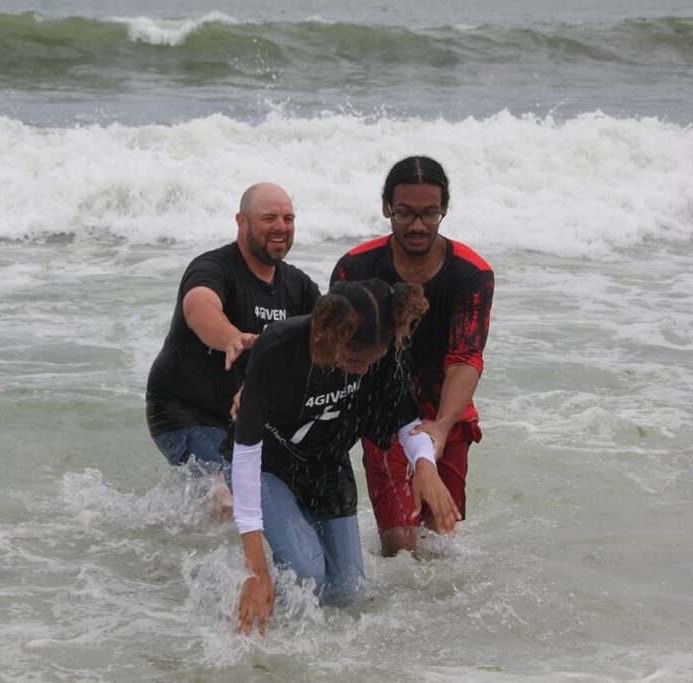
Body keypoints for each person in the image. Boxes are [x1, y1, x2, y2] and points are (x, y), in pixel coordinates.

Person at [230, 280, 461, 636]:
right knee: (308, 572)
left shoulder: (378, 351)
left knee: (348, 592)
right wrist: (255, 571)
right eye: (355, 360)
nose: (364, 370)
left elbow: (406, 420)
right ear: (328, 335)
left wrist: (425, 466)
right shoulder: (278, 347)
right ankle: (266, 621)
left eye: (373, 361)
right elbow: (245, 454)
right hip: (268, 467)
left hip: (327, 468)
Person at [331, 156, 494, 557]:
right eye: (404, 214)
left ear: (445, 209)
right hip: (380, 409)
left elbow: (465, 356)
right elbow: (337, 350)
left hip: (446, 409)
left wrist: (440, 426)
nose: (417, 226)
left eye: (429, 214)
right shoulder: (356, 267)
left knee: (439, 544)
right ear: (386, 206)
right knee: (400, 547)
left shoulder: (471, 273)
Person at [145, 183, 320, 510]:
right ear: (242, 222)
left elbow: (332, 330)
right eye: (269, 218)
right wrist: (230, 338)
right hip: (185, 411)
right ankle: (195, 561)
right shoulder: (213, 268)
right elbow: (199, 306)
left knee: (292, 494)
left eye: (288, 218)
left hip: (245, 417)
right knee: (225, 498)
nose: (281, 227)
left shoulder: (298, 286)